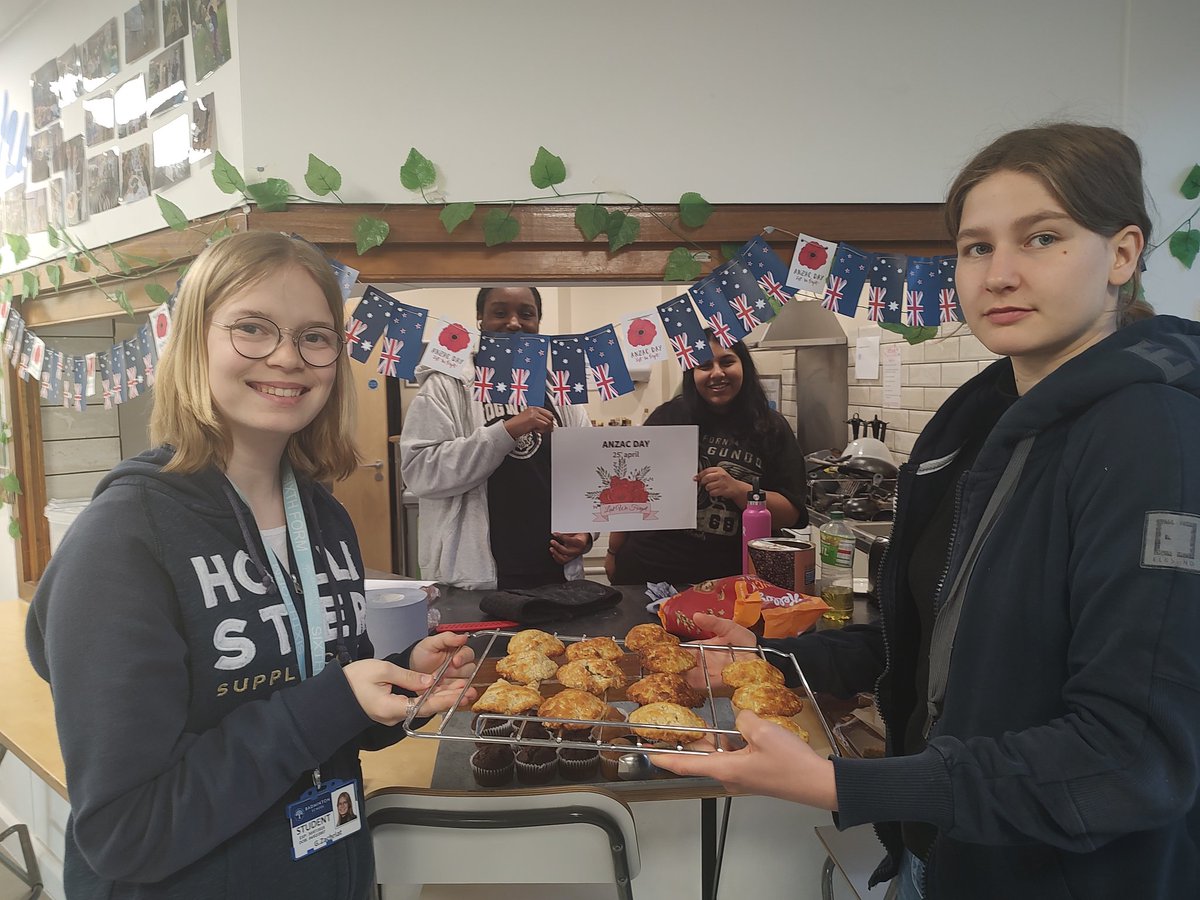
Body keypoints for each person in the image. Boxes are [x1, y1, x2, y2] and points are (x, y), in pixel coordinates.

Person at [654, 123, 1200, 900]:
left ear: (1122, 254)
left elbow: (1132, 755)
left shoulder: (1155, 438)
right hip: (946, 858)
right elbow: (933, 638)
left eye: (1041, 238)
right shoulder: (984, 422)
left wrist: (847, 786)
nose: (1000, 274)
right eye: (976, 248)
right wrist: (767, 655)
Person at [26, 232, 477, 900]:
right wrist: (332, 699)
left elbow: (318, 718)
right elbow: (128, 831)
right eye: (252, 329)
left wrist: (395, 684)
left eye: (315, 337)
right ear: (192, 343)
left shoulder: (324, 519)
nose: (288, 357)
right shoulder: (123, 540)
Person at [400, 286, 594, 590]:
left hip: (554, 574)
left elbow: (588, 475)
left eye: (526, 314)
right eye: (500, 313)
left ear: (539, 322)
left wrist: (585, 533)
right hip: (476, 579)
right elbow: (420, 473)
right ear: (480, 319)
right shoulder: (447, 386)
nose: (514, 323)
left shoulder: (559, 389)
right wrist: (506, 431)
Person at [605, 333, 807, 586]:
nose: (716, 373)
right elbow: (632, 491)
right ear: (692, 373)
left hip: (734, 579)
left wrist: (739, 490)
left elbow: (791, 514)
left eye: (727, 362)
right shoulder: (668, 417)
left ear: (743, 365)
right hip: (651, 572)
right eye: (704, 365)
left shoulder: (771, 427)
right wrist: (613, 551)